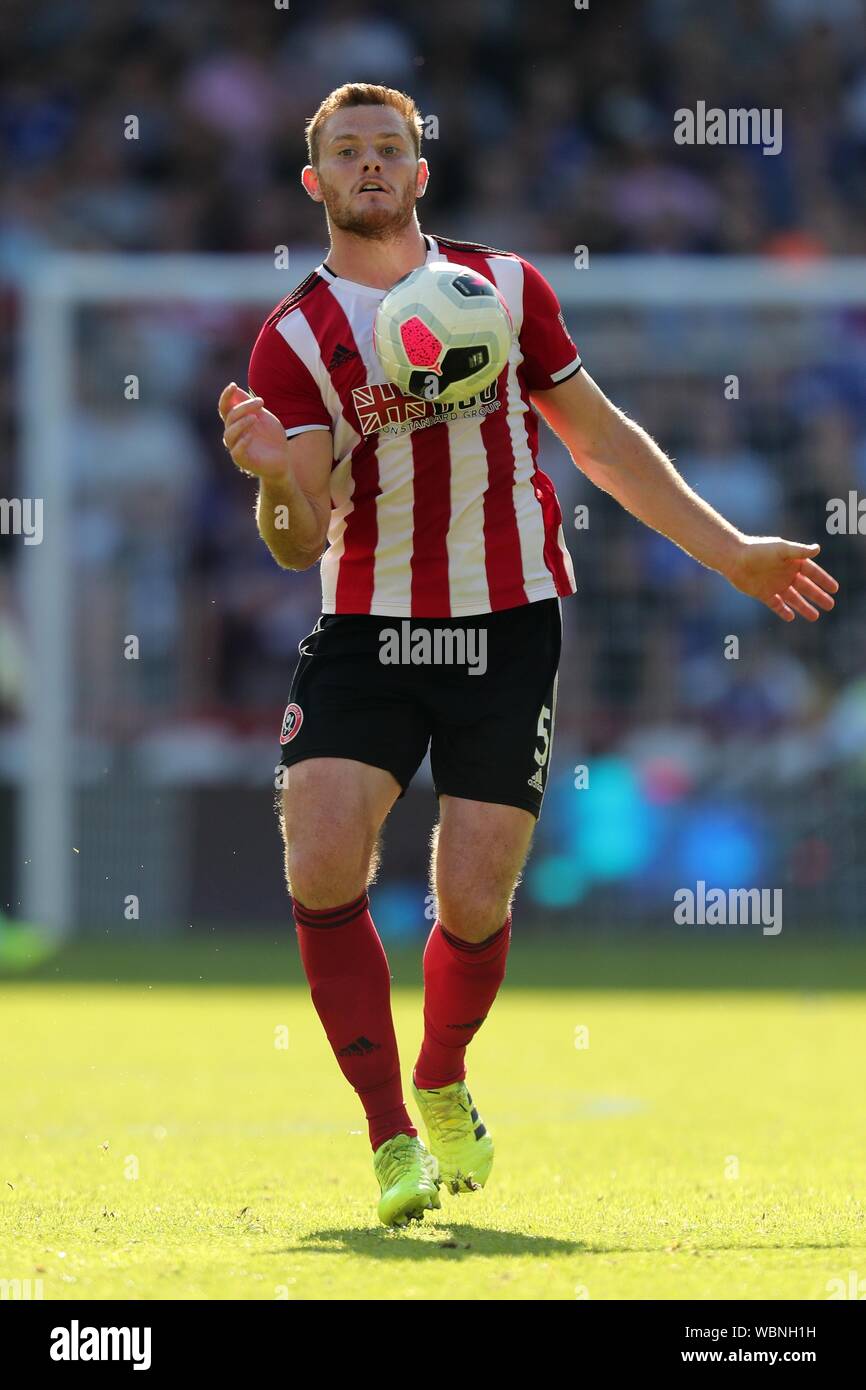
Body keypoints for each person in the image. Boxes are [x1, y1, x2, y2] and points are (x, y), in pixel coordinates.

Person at [218, 83, 839, 1228]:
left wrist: (730, 550)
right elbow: (298, 531)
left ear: (418, 171)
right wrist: (270, 476)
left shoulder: (502, 289)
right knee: (319, 859)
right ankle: (387, 1134)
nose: (368, 166)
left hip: (508, 625)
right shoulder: (295, 336)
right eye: (345, 152)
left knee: (473, 891)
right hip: (366, 629)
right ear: (314, 183)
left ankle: (442, 1077)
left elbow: (597, 441)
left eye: (387, 149)